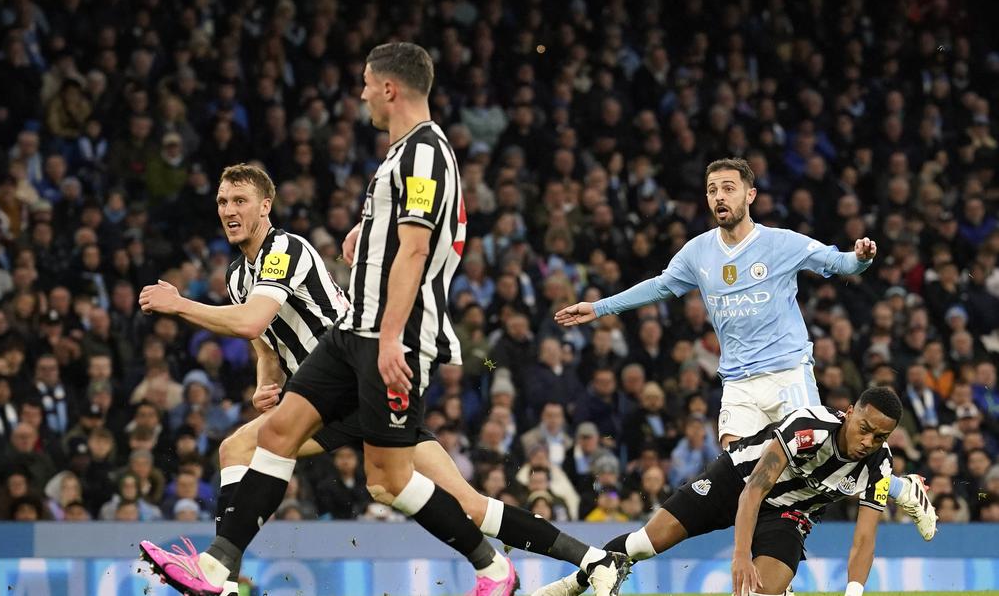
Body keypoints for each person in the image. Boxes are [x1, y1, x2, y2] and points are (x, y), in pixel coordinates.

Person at [137, 157, 624, 594]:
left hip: (354, 380)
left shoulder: (284, 249)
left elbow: (249, 321)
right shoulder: (239, 275)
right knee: (457, 502)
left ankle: (219, 572)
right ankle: (588, 559)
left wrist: (178, 305)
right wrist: (267, 381)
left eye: (240, 200)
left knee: (258, 450)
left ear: (266, 206)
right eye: (223, 201)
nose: (229, 210)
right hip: (334, 395)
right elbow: (263, 341)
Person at [554, 157, 937, 541]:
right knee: (739, 471)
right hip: (738, 381)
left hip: (787, 372)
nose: (719, 197)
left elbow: (840, 263)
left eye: (728, 188)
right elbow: (660, 286)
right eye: (712, 190)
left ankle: (901, 489)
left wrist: (861, 258)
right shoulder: (698, 252)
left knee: (814, 457)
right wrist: (599, 307)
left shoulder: (781, 243)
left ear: (750, 195)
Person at [535, 388, 906, 596]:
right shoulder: (808, 427)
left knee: (760, 593)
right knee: (645, 544)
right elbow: (753, 491)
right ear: (849, 412)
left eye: (880, 437)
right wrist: (740, 556)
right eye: (864, 428)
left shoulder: (879, 467)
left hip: (788, 514)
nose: (868, 441)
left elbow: (864, 540)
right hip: (736, 480)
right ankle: (574, 583)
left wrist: (853, 593)